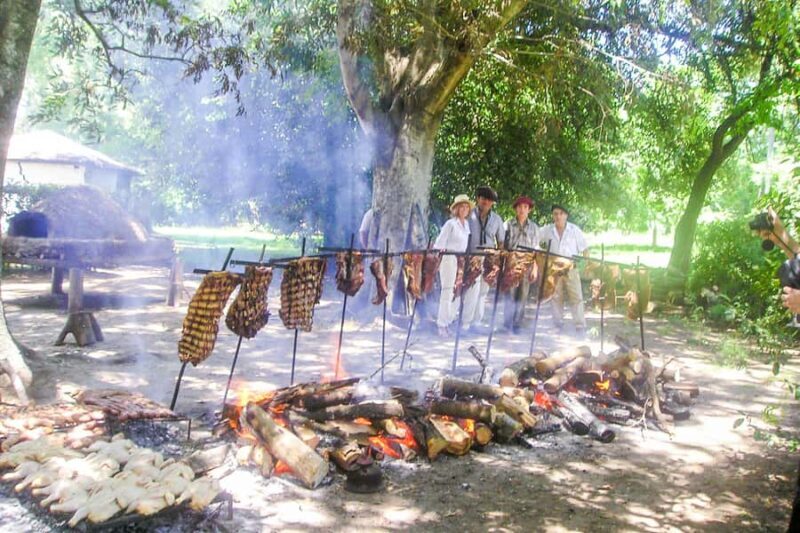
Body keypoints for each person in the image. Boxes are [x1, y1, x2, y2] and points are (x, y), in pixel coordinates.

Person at [540, 204, 589, 335]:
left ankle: (580, 326)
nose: (558, 216)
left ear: (566, 216)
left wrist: (586, 265)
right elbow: (535, 240)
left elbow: (585, 249)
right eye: (555, 214)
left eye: (561, 214)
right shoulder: (547, 230)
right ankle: (557, 324)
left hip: (571, 267)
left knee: (576, 296)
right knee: (556, 296)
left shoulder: (574, 230)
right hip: (554, 268)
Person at [462, 186, 505, 333]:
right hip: (472, 256)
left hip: (489, 258)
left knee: (482, 292)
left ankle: (476, 323)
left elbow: (501, 242)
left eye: (489, 200)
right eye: (483, 198)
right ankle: (465, 324)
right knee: (471, 290)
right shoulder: (468, 215)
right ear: (478, 199)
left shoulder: (497, 219)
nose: (486, 201)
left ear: (493, 203)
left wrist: (497, 258)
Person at [433, 194, 473, 337]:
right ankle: (441, 325)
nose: (464, 209)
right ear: (456, 209)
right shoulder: (450, 224)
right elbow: (439, 244)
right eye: (461, 206)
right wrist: (442, 253)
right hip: (449, 259)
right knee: (448, 291)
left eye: (466, 206)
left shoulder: (466, 225)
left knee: (458, 292)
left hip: (461, 259)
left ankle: (448, 321)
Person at [503, 196, 540, 334]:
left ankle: (518, 324)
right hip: (512, 262)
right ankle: (507, 324)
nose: (522, 210)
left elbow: (536, 250)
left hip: (527, 262)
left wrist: (535, 268)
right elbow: (504, 246)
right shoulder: (508, 224)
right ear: (515, 209)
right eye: (519, 207)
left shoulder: (535, 227)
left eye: (525, 207)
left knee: (523, 294)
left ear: (529, 210)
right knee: (510, 293)